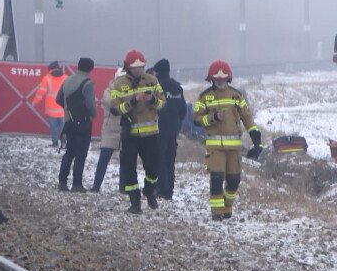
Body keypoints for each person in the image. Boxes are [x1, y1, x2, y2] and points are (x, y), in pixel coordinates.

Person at [192, 60, 262, 221]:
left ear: (228, 78)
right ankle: (216, 213)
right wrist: (212, 118)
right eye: (217, 78)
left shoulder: (236, 96)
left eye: (223, 78)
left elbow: (247, 118)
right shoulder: (204, 97)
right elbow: (196, 120)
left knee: (234, 180)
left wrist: (257, 140)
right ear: (211, 79)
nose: (220, 81)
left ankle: (227, 206)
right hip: (215, 147)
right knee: (216, 178)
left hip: (234, 148)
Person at [109, 49, 165, 214]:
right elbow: (114, 109)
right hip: (130, 134)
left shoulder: (152, 80)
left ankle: (149, 190)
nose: (138, 70)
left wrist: (152, 99)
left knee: (153, 167)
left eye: (141, 67)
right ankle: (134, 200)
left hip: (151, 134)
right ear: (127, 67)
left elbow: (163, 103)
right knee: (129, 169)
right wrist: (133, 101)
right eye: (135, 67)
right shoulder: (119, 84)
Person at [55, 57, 97, 192]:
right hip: (83, 122)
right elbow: (90, 104)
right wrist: (93, 115)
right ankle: (77, 184)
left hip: (68, 121)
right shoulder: (87, 83)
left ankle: (62, 182)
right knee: (81, 154)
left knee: (69, 152)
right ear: (91, 69)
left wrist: (68, 110)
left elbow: (58, 98)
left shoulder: (67, 80)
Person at [149, 59, 186, 200]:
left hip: (159, 127)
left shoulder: (158, 87)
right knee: (171, 159)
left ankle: (162, 189)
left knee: (160, 159)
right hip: (174, 128)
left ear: (157, 72)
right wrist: (177, 124)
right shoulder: (178, 88)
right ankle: (169, 190)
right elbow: (183, 110)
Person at [91, 68, 127, 193]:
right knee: (103, 160)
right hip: (110, 130)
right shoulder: (108, 91)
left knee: (125, 162)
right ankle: (96, 186)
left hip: (124, 130)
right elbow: (112, 103)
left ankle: (123, 188)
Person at [32, 61, 67, 147]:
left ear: (50, 69)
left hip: (51, 109)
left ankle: (55, 143)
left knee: (53, 127)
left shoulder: (47, 78)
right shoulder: (66, 78)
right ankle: (64, 143)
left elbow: (40, 92)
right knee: (63, 127)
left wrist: (34, 102)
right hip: (63, 109)